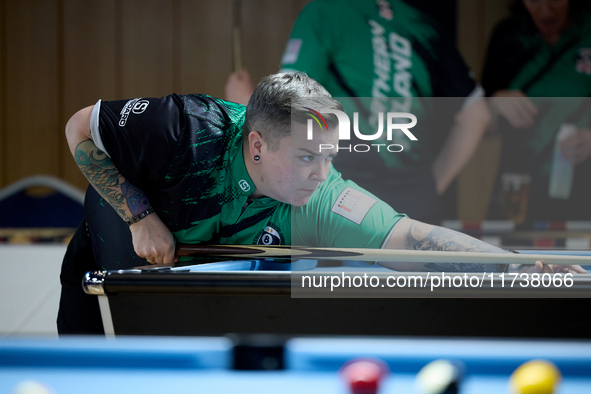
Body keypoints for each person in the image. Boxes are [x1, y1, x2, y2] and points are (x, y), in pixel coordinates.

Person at [58, 72, 582, 335]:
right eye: (309, 156)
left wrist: (511, 264)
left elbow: (412, 237)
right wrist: (140, 217)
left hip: (191, 265)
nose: (322, 173)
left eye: (330, 156)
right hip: (125, 225)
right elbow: (79, 126)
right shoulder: (185, 127)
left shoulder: (322, 196)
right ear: (258, 147)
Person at [225, 0, 491, 224]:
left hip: (345, 205)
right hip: (418, 210)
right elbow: (477, 115)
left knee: (345, 287)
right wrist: (432, 187)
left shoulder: (326, 11)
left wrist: (246, 103)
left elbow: (288, 114)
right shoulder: (425, 27)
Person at [482, 0, 591, 223]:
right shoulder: (508, 35)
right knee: (506, 254)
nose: (545, 10)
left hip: (580, 185)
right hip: (518, 185)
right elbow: (475, 119)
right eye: (534, 0)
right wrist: (495, 101)